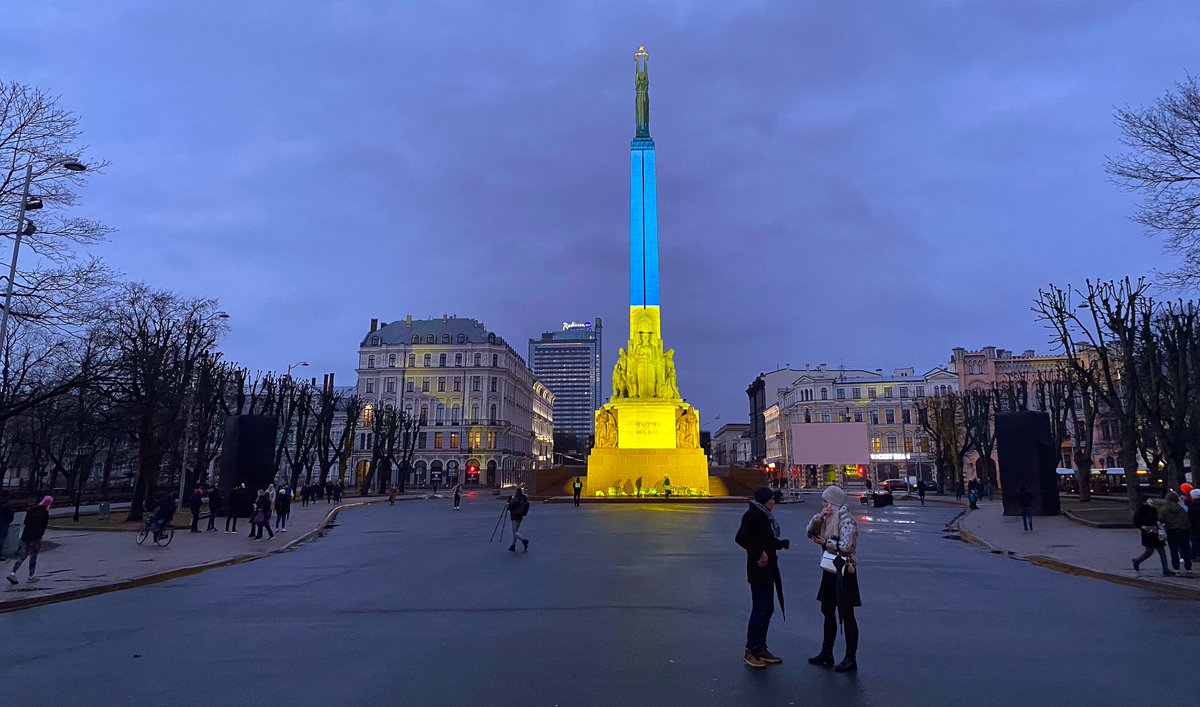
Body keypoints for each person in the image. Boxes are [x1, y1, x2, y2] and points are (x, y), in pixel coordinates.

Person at [805, 485, 860, 673]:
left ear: (833, 503)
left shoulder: (847, 520)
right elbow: (810, 532)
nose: (823, 504)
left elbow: (847, 546)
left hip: (844, 570)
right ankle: (826, 652)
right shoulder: (828, 518)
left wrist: (826, 543)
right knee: (827, 609)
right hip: (829, 569)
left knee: (846, 613)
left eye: (826, 501)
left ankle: (850, 658)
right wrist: (818, 517)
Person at [734, 486, 789, 669]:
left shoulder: (763, 514)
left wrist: (780, 544)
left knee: (768, 608)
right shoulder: (753, 515)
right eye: (771, 498)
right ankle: (751, 650)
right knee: (760, 608)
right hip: (759, 569)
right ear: (765, 500)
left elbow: (764, 539)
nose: (774, 501)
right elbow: (741, 538)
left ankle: (760, 647)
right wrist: (760, 554)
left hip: (768, 569)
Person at [7, 496, 52, 584]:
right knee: (33, 557)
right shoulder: (45, 513)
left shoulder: (31, 510)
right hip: (36, 538)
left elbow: (26, 522)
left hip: (26, 536)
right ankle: (31, 576)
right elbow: (43, 526)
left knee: (22, 556)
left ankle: (13, 573)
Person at [1132, 498, 1173, 576]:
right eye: (1150, 502)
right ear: (1145, 502)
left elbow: (1157, 520)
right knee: (1149, 552)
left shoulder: (1154, 510)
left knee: (1161, 551)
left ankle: (1165, 569)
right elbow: (1137, 521)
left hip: (1156, 533)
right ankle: (1137, 561)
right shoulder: (1141, 511)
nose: (1152, 503)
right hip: (1148, 534)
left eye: (1152, 502)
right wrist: (1142, 527)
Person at [1158, 491, 1192, 574]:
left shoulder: (1164, 509)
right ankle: (1188, 568)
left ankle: (1176, 569)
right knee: (1185, 549)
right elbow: (1186, 520)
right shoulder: (1182, 508)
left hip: (1171, 531)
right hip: (1183, 531)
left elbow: (1161, 519)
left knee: (1173, 550)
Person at [507, 487, 530, 552]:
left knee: (514, 532)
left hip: (514, 516)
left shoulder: (515, 499)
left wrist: (508, 502)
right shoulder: (524, 498)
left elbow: (509, 507)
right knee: (516, 531)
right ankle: (513, 545)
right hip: (520, 516)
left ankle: (523, 540)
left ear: (516, 491)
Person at [0, 491, 14, 561]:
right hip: (3, 524)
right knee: (1, 539)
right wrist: (7, 522)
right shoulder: (9, 505)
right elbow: (11, 516)